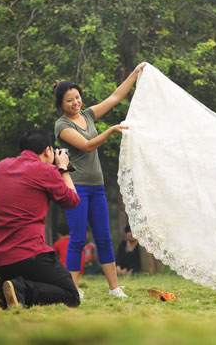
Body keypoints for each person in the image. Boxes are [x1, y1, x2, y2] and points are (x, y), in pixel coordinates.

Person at [54, 62, 146, 298]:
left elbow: (114, 97)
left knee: (104, 238)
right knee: (77, 240)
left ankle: (114, 288)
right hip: (76, 187)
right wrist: (111, 130)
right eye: (69, 100)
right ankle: (72, 290)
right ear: (61, 105)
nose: (75, 102)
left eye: (77, 97)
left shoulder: (88, 115)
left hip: (96, 187)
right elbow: (86, 145)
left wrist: (134, 73)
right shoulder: (62, 125)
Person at [0, 129, 80, 308]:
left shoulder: (1, 167)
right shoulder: (46, 170)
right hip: (28, 256)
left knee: (28, 272)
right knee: (71, 294)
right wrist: (63, 169)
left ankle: (1, 290)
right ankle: (21, 289)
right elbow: (72, 201)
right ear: (47, 151)